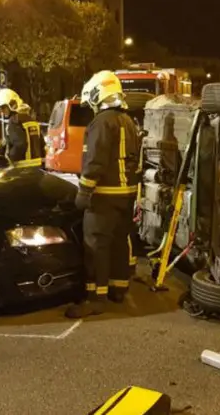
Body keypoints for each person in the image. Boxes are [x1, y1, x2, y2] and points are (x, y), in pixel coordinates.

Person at [65, 70, 141, 319]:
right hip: (126, 194)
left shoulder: (101, 122)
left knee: (96, 246)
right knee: (119, 242)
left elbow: (95, 161)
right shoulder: (128, 121)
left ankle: (95, 298)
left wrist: (84, 191)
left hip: (104, 196)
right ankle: (118, 289)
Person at [0, 88, 44, 168]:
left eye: (3, 107)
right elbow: (42, 144)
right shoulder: (32, 120)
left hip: (23, 168)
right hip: (37, 166)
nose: (2, 111)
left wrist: (10, 158)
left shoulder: (14, 121)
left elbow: (20, 144)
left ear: (12, 105)